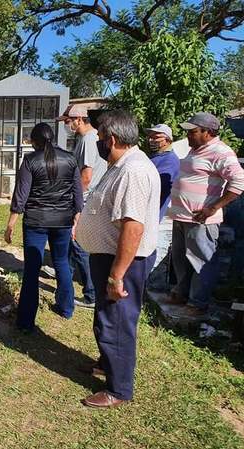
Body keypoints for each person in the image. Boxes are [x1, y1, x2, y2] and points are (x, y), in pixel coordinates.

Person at [75, 110, 160, 408]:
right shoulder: (121, 164)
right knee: (106, 317)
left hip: (122, 263)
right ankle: (106, 364)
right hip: (109, 258)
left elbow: (133, 227)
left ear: (111, 139)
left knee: (117, 323)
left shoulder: (133, 171)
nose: (98, 143)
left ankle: (118, 388)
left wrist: (117, 274)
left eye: (100, 139)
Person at [5, 122, 83, 330]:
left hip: (36, 222)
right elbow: (77, 192)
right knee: (62, 263)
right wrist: (76, 217)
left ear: (34, 141)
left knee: (32, 269)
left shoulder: (31, 160)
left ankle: (26, 321)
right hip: (62, 221)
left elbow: (21, 194)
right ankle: (66, 308)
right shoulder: (70, 158)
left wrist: (11, 223)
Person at [167, 112, 244, 316]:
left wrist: (213, 207)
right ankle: (181, 293)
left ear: (208, 132)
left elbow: (239, 183)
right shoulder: (196, 149)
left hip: (201, 219)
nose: (188, 136)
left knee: (202, 260)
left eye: (192, 132)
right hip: (182, 216)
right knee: (181, 259)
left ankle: (197, 303)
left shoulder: (221, 152)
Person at [57, 105, 107, 309]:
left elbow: (86, 176)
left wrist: (73, 199)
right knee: (71, 241)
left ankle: (91, 293)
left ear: (79, 119)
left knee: (78, 244)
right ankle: (65, 272)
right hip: (88, 197)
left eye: (68, 121)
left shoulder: (88, 139)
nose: (67, 125)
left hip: (85, 198)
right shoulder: (91, 137)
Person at [144, 124, 181, 273]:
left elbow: (160, 187)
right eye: (150, 136)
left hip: (153, 214)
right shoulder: (155, 157)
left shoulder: (170, 160)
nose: (151, 139)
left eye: (156, 136)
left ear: (167, 140)